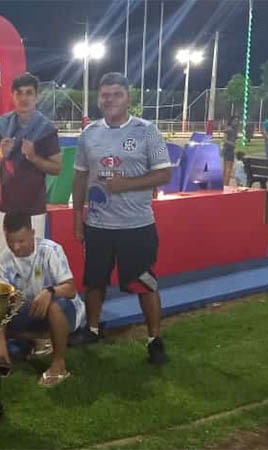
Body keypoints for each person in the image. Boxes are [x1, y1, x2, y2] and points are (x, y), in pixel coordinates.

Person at [70, 72, 172, 365]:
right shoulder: (88, 134)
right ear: (98, 99)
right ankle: (92, 329)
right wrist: (78, 217)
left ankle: (154, 339)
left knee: (145, 283)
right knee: (94, 282)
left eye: (116, 94)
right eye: (105, 95)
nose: (109, 100)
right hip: (98, 226)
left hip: (136, 226)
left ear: (128, 97)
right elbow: (79, 177)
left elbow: (165, 173)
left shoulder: (146, 130)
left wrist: (125, 184)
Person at [0, 212, 85, 387]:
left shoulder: (50, 250)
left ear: (33, 233)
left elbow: (71, 289)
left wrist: (50, 291)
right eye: (11, 241)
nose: (16, 247)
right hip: (30, 310)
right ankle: (40, 339)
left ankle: (59, 366)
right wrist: (0, 343)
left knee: (55, 306)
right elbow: (2, 302)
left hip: (64, 309)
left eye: (21, 241)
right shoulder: (4, 258)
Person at [0, 73, 62, 280]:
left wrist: (34, 157)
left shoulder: (46, 129)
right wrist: (1, 153)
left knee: (33, 263)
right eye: (19, 93)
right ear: (13, 96)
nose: (24, 98)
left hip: (33, 208)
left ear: (36, 97)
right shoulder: (1, 125)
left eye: (29, 93)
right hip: (3, 205)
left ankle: (32, 309)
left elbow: (57, 168)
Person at [222, 116, 239, 185]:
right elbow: (224, 139)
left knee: (228, 168)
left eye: (237, 121)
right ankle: (225, 184)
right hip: (228, 149)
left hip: (231, 149)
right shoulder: (229, 129)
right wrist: (231, 143)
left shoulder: (235, 130)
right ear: (231, 121)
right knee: (227, 168)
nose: (236, 122)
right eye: (234, 121)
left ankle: (225, 183)